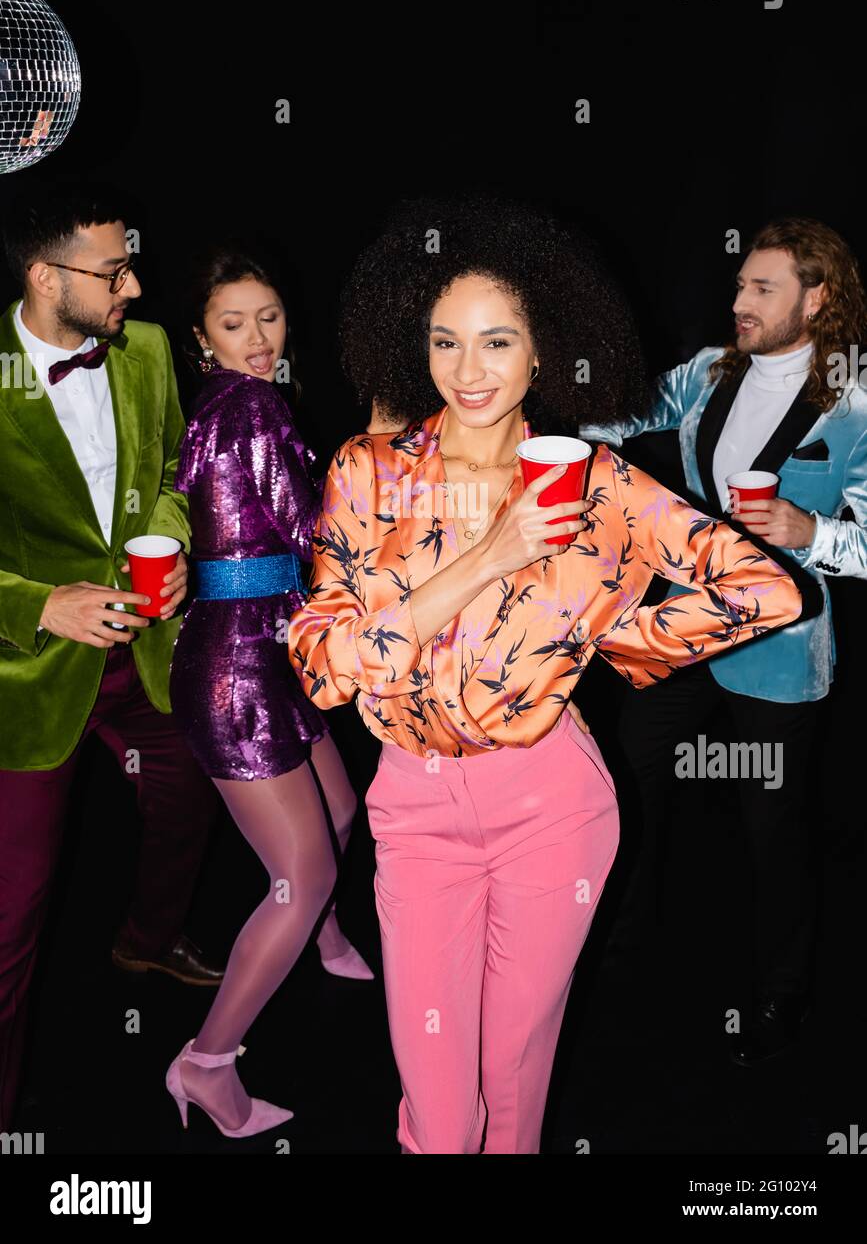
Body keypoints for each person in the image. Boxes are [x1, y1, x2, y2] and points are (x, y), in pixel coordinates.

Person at [286, 194, 804, 1153]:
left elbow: (764, 591)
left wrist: (616, 643)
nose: (467, 370)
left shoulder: (599, 485)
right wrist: (486, 556)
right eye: (445, 343)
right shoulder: (367, 471)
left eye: (496, 342)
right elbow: (322, 666)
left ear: (541, 351)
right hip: (415, 806)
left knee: (514, 1084)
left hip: (552, 808)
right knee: (440, 1116)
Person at [579, 217, 867, 1065]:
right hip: (690, 623)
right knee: (623, 788)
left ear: (816, 299)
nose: (736, 302)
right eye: (739, 285)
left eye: (760, 289)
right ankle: (608, 963)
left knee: (771, 831)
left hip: (781, 649)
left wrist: (805, 529)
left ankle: (782, 997)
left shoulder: (853, 400)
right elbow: (621, 416)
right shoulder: (711, 370)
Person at [0, 184, 224, 1133]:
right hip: (29, 677)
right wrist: (39, 602)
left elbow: (175, 469)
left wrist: (171, 548)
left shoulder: (148, 348)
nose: (135, 282)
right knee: (11, 923)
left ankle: (148, 938)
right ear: (44, 277)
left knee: (191, 795)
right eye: (112, 269)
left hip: (142, 654)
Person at [165, 248, 373, 1140]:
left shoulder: (221, 402)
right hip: (239, 667)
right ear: (200, 337)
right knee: (303, 870)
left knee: (340, 806)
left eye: (271, 318)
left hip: (261, 647)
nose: (258, 339)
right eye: (232, 323)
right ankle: (205, 1065)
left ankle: (320, 938)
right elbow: (310, 529)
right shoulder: (251, 403)